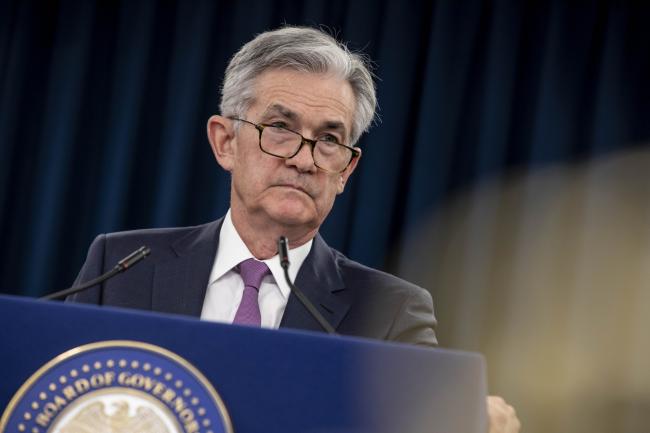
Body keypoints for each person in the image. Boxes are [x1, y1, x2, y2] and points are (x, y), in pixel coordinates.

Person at [70, 26, 520, 433]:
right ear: (225, 141)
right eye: (280, 128)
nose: (304, 159)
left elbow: (436, 415)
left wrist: (468, 416)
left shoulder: (389, 311)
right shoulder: (121, 267)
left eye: (328, 139)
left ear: (346, 169)